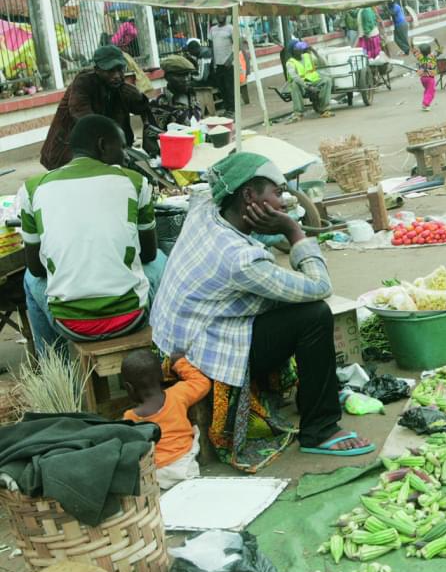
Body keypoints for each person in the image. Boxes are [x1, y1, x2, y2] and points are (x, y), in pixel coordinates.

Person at [152, 152, 374, 469]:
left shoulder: (205, 207)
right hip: (201, 353)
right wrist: (293, 232)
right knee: (314, 315)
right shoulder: (240, 260)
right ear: (249, 196)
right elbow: (320, 286)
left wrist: (279, 223)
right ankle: (320, 429)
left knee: (291, 308)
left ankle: (314, 394)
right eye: (276, 192)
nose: (283, 201)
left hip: (177, 333)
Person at [20, 115, 167, 356]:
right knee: (161, 260)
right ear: (102, 145)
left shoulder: (33, 188)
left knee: (29, 278)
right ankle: (163, 351)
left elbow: (37, 269)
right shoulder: (135, 182)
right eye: (122, 147)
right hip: (131, 316)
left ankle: (57, 373)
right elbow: (148, 253)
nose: (126, 155)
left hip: (69, 325)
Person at [40, 45, 157, 170]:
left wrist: (139, 98)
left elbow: (141, 108)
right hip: (69, 151)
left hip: (103, 149)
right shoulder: (84, 83)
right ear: (97, 70)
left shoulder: (120, 87)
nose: (117, 75)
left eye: (120, 70)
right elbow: (85, 119)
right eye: (110, 71)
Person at [122, 350, 210, 490]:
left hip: (156, 474)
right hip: (186, 465)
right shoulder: (178, 394)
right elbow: (203, 383)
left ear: (129, 388)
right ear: (162, 376)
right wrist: (179, 362)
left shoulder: (130, 417)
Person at [285, 40, 333, 122]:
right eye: (297, 48)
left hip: (314, 80)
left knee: (327, 80)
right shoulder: (290, 63)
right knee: (294, 85)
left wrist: (314, 52)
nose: (300, 49)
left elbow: (322, 63)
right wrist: (307, 87)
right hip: (302, 84)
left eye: (300, 46)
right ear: (293, 51)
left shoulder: (307, 56)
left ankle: (324, 109)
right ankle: (298, 113)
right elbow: (295, 77)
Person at [209, 15, 236, 113]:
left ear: (226, 16)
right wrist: (213, 63)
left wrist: (230, 59)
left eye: (222, 14)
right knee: (222, 89)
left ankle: (233, 109)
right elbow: (211, 47)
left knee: (230, 88)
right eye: (218, 14)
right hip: (217, 65)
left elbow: (238, 45)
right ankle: (228, 109)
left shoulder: (231, 28)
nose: (220, 16)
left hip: (228, 64)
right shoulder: (212, 30)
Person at [415, 39, 441, 111]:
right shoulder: (432, 57)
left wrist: (412, 45)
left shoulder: (420, 58)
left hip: (423, 78)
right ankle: (425, 104)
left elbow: (415, 52)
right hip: (430, 78)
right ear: (429, 51)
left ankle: (426, 103)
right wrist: (437, 42)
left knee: (427, 90)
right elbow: (439, 50)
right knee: (431, 92)